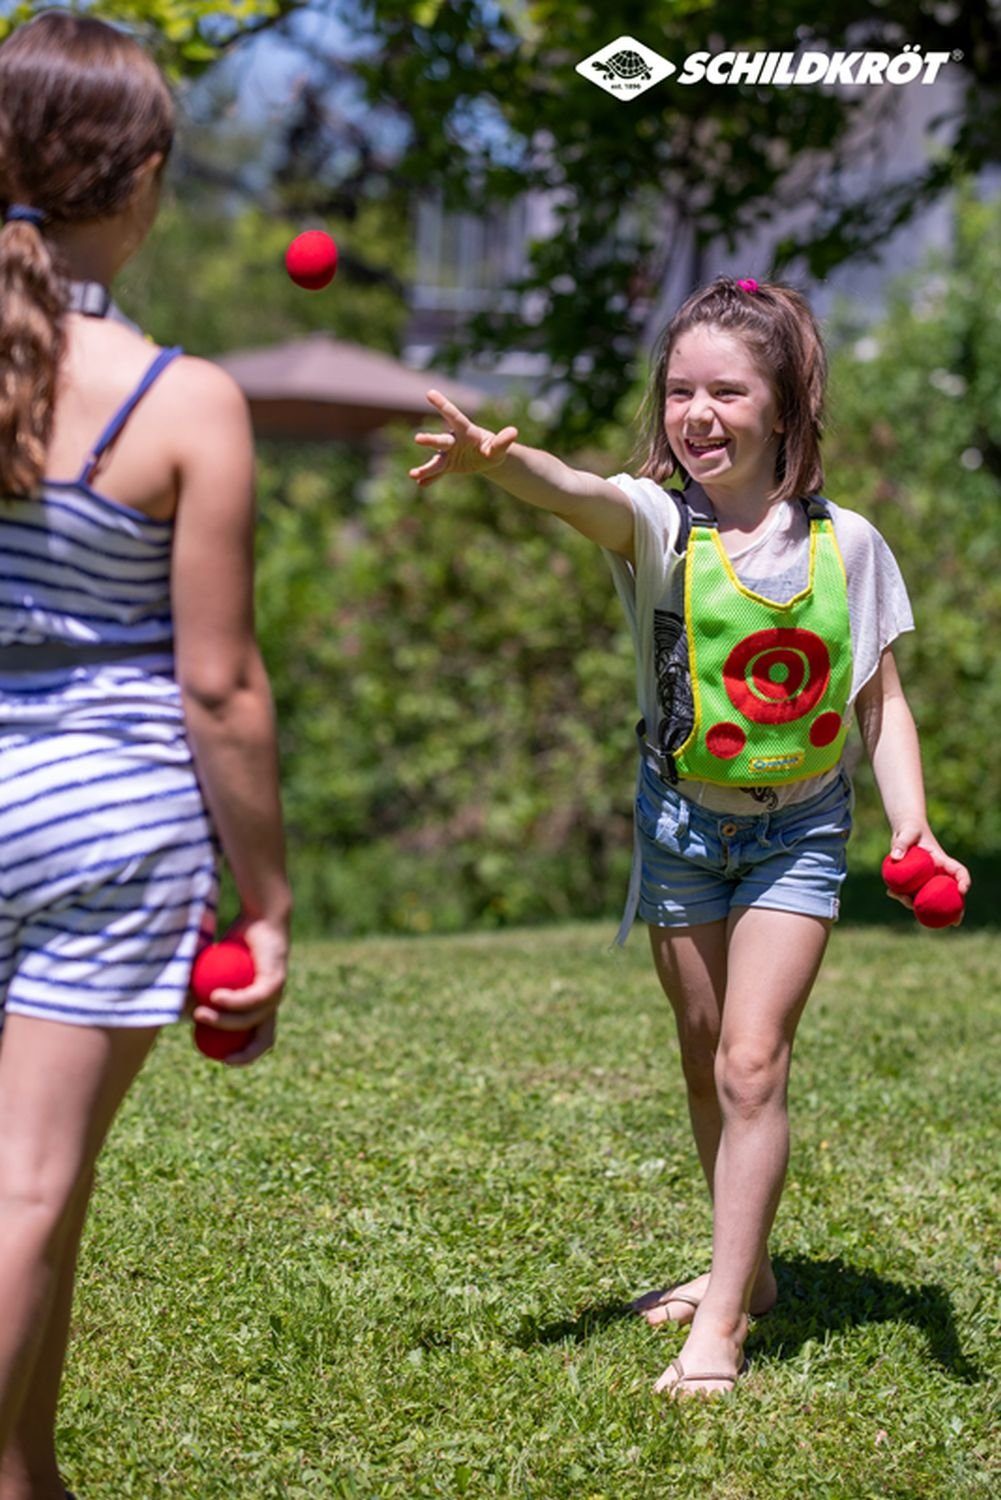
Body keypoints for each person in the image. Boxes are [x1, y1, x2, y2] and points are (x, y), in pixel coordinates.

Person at [410, 275, 970, 1399]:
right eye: (678, 391)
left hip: (798, 830)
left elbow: (879, 704)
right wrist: (497, 464)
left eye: (725, 390)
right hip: (677, 825)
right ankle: (746, 1270)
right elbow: (573, 490)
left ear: (783, 407)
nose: (696, 413)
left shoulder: (846, 545)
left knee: (751, 1062)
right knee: (705, 1060)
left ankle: (717, 1329)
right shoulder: (660, 524)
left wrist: (911, 824)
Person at [0, 12, 290, 1495]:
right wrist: (272, 902)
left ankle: (28, 1472)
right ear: (140, 179)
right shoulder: (184, 402)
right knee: (33, 1183)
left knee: (43, 1192)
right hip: (103, 821)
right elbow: (222, 687)